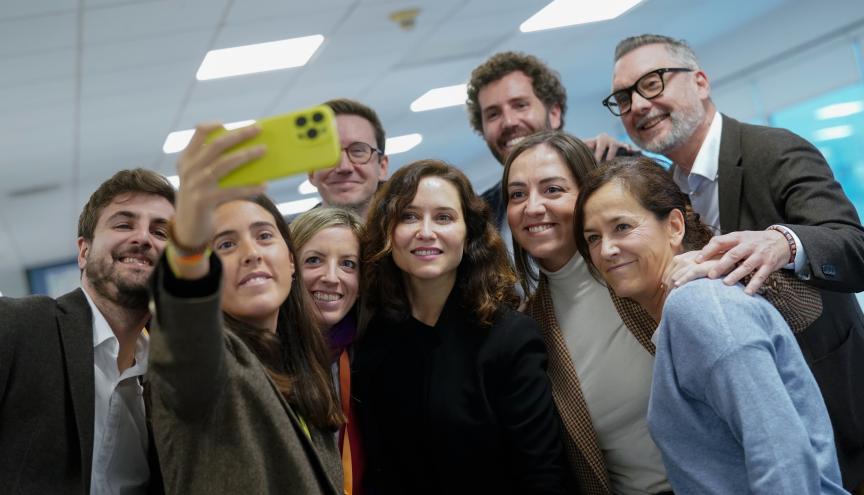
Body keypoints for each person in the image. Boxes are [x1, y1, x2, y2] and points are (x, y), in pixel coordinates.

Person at [606, 33, 864, 489]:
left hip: (840, 418)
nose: (638, 106)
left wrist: (783, 242)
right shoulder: (665, 190)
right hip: (741, 437)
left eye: (652, 83)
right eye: (623, 98)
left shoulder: (773, 149)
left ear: (700, 82)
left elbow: (853, 246)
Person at [573, 156, 846, 494]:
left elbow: (782, 459)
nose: (607, 249)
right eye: (593, 238)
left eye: (622, 227)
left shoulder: (699, 306)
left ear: (674, 226)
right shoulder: (681, 311)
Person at [146, 122, 343, 493]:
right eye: (224, 244)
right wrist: (187, 243)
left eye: (264, 236)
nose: (251, 254)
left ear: (290, 260)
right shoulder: (210, 364)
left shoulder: (299, 365)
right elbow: (185, 343)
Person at [353, 159, 571, 494]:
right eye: (408, 216)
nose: (426, 231)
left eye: (444, 217)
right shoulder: (371, 341)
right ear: (387, 232)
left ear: (469, 233)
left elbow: (543, 472)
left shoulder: (508, 337)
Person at [0, 168, 175, 494]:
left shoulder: (165, 381)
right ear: (84, 252)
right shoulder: (16, 326)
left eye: (161, 232)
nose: (143, 238)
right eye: (124, 224)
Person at [503, 130, 670, 495]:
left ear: (586, 195)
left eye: (552, 189)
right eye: (517, 195)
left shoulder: (649, 268)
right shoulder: (527, 327)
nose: (532, 207)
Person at [465, 51, 634, 235]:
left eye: (520, 105)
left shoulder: (614, 172)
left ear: (554, 113)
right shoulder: (482, 217)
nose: (508, 122)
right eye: (493, 114)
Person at [290, 207, 365, 495]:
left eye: (348, 264)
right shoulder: (262, 356)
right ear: (290, 268)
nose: (331, 277)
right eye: (314, 260)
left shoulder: (369, 354)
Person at [308, 98, 389, 219]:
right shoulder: (288, 237)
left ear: (382, 167)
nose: (344, 167)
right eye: (330, 154)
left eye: (358, 151)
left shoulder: (419, 234)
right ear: (312, 172)